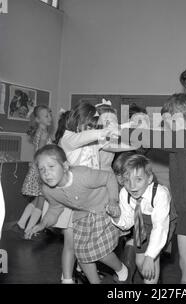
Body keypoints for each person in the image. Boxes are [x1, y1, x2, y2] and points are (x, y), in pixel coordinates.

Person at [120, 93, 186, 284]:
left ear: (179, 117)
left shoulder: (185, 137)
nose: (166, 126)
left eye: (167, 121)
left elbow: (141, 137)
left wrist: (116, 129)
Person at [26, 144, 129, 284]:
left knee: (99, 253)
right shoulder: (48, 190)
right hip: (81, 214)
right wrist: (42, 223)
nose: (46, 173)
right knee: (81, 253)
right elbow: (55, 208)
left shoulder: (82, 176)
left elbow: (109, 178)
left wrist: (113, 201)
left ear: (65, 166)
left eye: (51, 167)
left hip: (103, 208)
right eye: (42, 169)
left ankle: (121, 269)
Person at [107, 154, 171, 284]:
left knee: (151, 263)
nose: (132, 185)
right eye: (127, 180)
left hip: (161, 225)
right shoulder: (125, 193)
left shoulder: (160, 194)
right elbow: (128, 222)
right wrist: (117, 216)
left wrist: (150, 256)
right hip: (141, 223)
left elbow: (160, 227)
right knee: (140, 262)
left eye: (138, 179)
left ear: (149, 179)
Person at [11, 105, 53, 239]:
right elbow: (40, 153)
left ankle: (21, 224)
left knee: (36, 200)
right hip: (41, 169)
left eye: (49, 115)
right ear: (38, 119)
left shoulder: (40, 131)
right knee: (40, 201)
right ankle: (29, 231)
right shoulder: (44, 133)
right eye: (46, 116)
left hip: (37, 168)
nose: (50, 118)